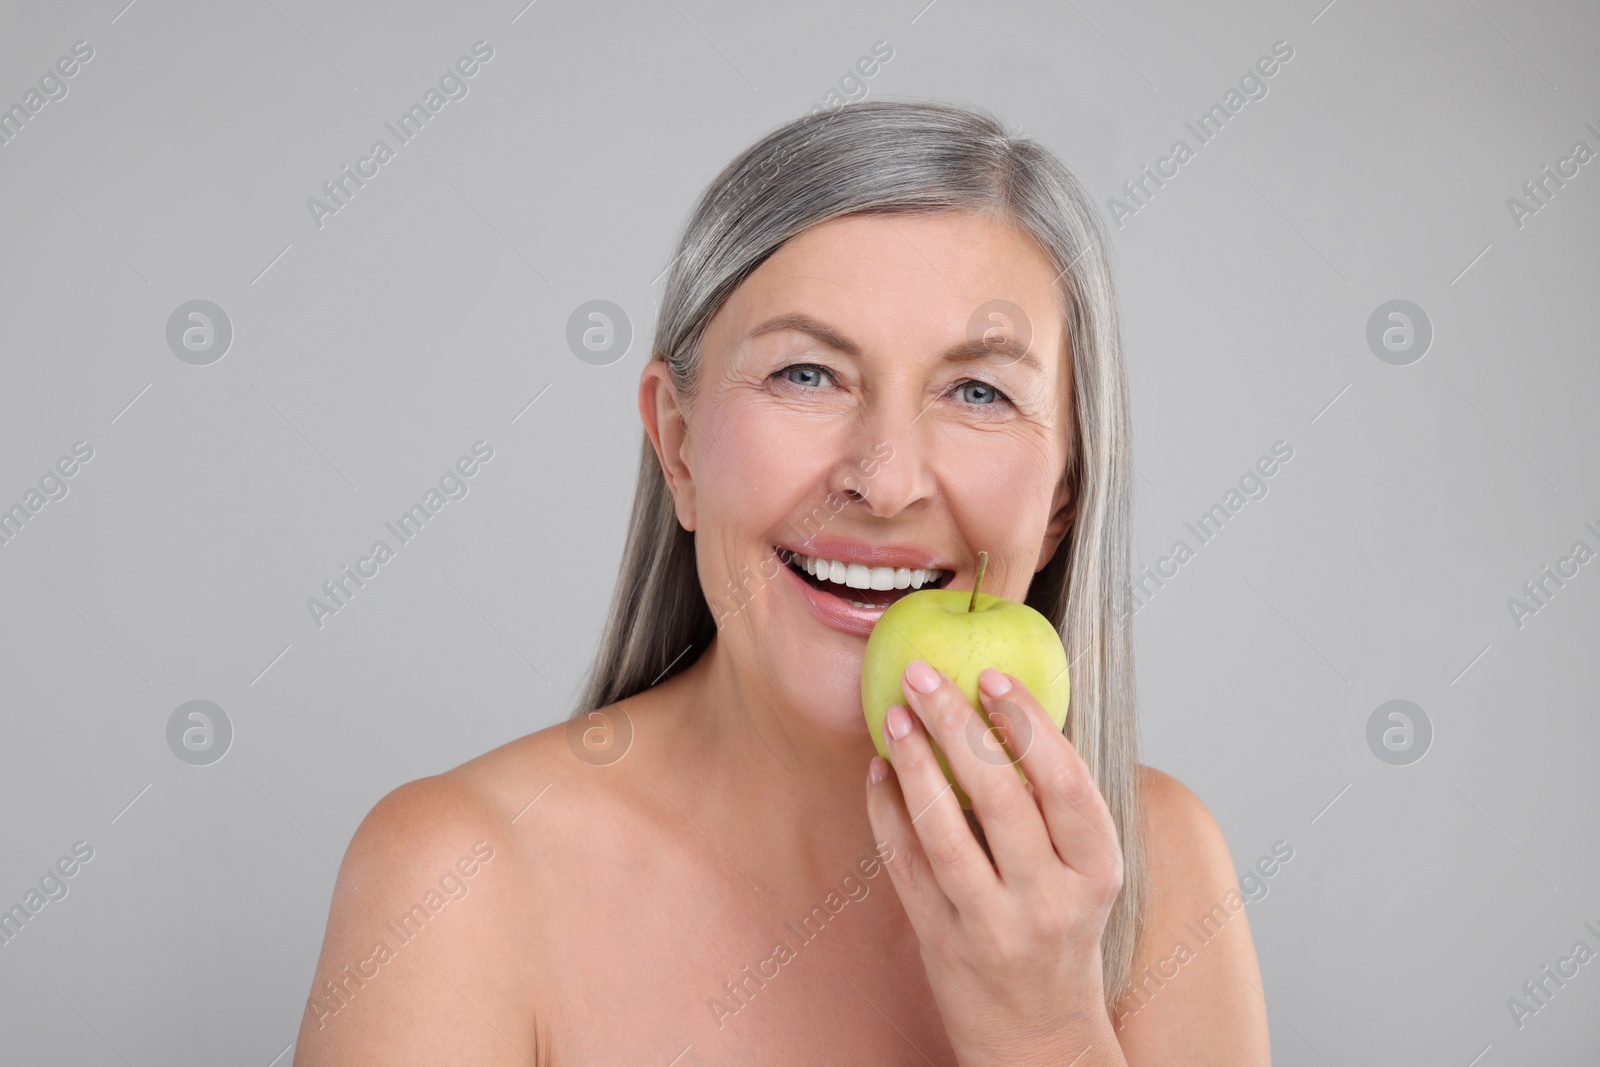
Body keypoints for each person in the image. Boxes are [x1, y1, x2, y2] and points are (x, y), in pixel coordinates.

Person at [294, 99, 1271, 1066]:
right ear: (677, 446)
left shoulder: (1156, 867)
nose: (885, 481)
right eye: (808, 374)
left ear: (1062, 494)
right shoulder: (457, 882)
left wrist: (1043, 1028)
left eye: (978, 391)